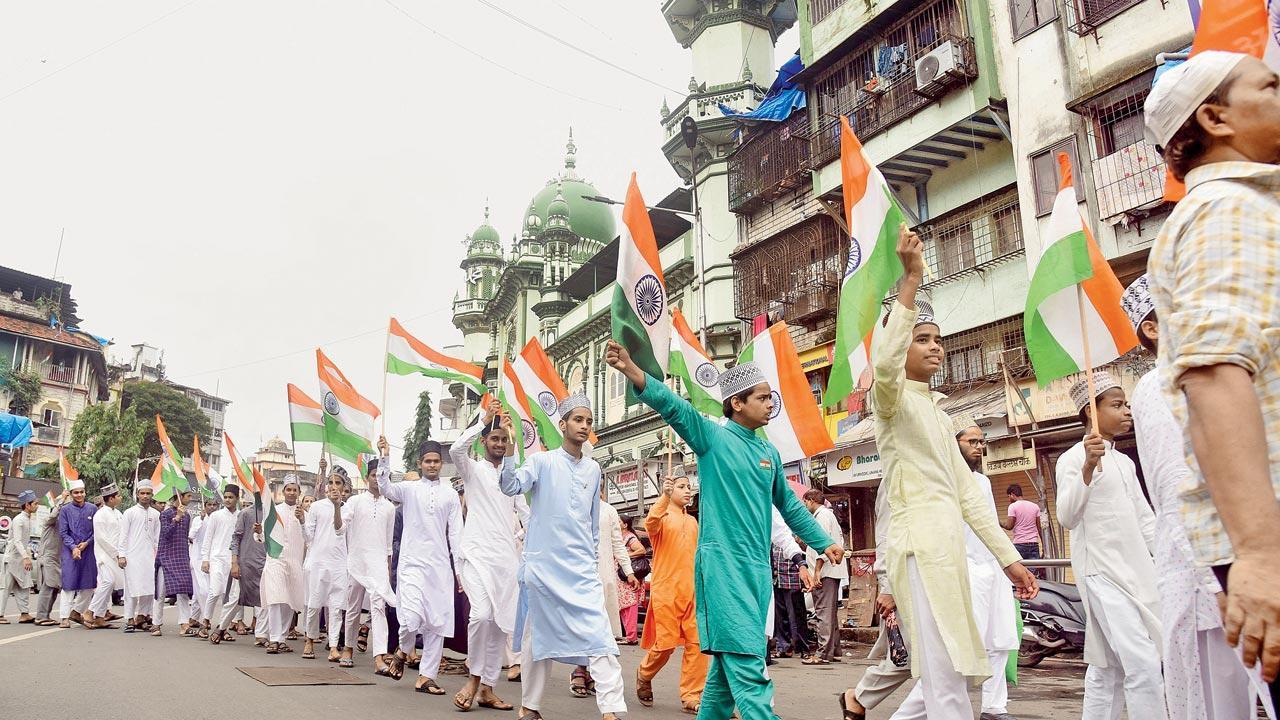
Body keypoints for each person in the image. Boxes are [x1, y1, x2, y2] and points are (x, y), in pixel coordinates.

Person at [836, 227, 1037, 720]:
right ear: (900, 344)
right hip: (919, 551)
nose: (936, 348)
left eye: (938, 340)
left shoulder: (944, 417)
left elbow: (969, 498)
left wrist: (1009, 558)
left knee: (951, 674)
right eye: (921, 339)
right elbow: (883, 369)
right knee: (945, 677)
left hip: (948, 552)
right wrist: (910, 280)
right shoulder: (892, 403)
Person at [1143, 50, 1280, 699]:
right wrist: (1259, 550)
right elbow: (1215, 372)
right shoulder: (1227, 207)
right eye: (1271, 85)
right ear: (1215, 116)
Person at [606, 341, 840, 720]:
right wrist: (633, 371)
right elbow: (673, 406)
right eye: (762, 398)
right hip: (721, 568)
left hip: (757, 571)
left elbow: (790, 506)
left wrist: (823, 541)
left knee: (719, 686)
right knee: (748, 665)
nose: (769, 404)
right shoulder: (712, 438)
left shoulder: (769, 455)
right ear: (737, 403)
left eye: (770, 397)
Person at [1124, 275, 1262, 718]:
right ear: (1152, 327)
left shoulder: (1211, 371)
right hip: (1208, 578)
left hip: (1241, 569)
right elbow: (1179, 486)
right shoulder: (1160, 383)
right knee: (1219, 705)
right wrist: (1216, 578)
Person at [497, 394, 634, 720]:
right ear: (562, 425)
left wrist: (593, 564)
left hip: (580, 570)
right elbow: (511, 486)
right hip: (543, 569)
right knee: (536, 639)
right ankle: (529, 707)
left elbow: (592, 524)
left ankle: (612, 710)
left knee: (601, 634)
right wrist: (509, 452)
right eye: (578, 420)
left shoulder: (594, 469)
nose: (584, 426)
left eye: (588, 421)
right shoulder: (543, 462)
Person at [1056, 372, 1164, 718]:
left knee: (1108, 668)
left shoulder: (1125, 461)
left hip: (1136, 573)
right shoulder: (1072, 459)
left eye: (1127, 404)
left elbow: (1145, 520)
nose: (1127, 412)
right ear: (1091, 410)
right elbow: (1067, 517)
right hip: (1101, 575)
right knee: (1143, 663)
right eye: (1117, 405)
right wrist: (1088, 467)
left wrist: (1166, 558)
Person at [449, 402, 527, 711]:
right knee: (481, 615)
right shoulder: (473, 470)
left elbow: (527, 515)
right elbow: (456, 450)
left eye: (503, 439)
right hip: (476, 556)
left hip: (505, 561)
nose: (498, 443)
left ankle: (488, 689)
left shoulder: (513, 478)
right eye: (493, 438)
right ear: (484, 441)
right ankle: (473, 677)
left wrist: (529, 540)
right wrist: (483, 421)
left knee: (499, 623)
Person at [376, 437, 463, 695]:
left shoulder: (450, 495)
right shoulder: (409, 489)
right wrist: (384, 457)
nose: (432, 465)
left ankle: (426, 676)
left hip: (439, 568)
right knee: (410, 619)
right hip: (412, 564)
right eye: (428, 461)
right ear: (420, 463)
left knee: (437, 624)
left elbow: (456, 534)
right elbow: (385, 488)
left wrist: (459, 571)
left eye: (436, 461)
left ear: (441, 463)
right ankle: (403, 650)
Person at [636, 475, 708, 714]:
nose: (688, 491)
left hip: (693, 591)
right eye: (681, 487)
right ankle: (644, 674)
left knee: (697, 645)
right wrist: (664, 497)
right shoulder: (662, 517)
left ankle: (691, 696)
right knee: (665, 645)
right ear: (670, 490)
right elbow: (650, 522)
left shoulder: (694, 522)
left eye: (689, 487)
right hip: (666, 590)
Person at [340, 459, 396, 672]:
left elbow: (388, 543)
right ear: (367, 477)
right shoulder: (354, 501)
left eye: (381, 475)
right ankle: (348, 648)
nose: (377, 479)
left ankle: (379, 657)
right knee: (353, 608)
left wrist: (388, 569)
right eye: (373, 475)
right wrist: (337, 507)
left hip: (379, 564)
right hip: (357, 562)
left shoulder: (390, 507)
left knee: (378, 607)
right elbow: (340, 527)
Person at [303, 470, 350, 662]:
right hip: (318, 562)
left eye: (338, 482)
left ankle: (333, 646)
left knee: (336, 607)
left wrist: (338, 506)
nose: (333, 486)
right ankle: (309, 640)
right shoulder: (316, 507)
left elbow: (339, 530)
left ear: (343, 487)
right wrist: (300, 521)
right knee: (314, 605)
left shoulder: (347, 508)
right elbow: (308, 536)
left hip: (339, 563)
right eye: (330, 482)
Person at [262, 473, 306, 655]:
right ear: (283, 491)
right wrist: (258, 531)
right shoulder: (274, 511)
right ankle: (273, 639)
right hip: (275, 558)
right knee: (275, 598)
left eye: (295, 490)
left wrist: (303, 520)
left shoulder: (304, 513)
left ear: (299, 492)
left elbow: (310, 536)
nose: (291, 493)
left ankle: (281, 638)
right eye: (288, 489)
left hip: (295, 560)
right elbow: (261, 537)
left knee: (290, 601)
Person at [802, 489, 847, 665]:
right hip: (830, 571)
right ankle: (834, 650)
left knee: (823, 612)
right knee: (830, 613)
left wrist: (817, 571)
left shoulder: (822, 517)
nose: (805, 507)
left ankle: (823, 653)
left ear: (811, 501)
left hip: (825, 571)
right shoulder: (827, 516)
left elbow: (823, 544)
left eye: (805, 503)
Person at [222, 489, 266, 647]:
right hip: (245, 563)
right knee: (235, 598)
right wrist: (235, 562)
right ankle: (221, 628)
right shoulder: (246, 513)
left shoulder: (272, 514)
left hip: (266, 563)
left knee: (263, 599)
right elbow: (236, 538)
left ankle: (261, 635)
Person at [117, 480, 161, 633]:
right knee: (132, 588)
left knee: (149, 588)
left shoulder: (156, 514)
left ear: (152, 495)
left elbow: (157, 538)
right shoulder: (129, 513)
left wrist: (158, 557)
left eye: (148, 493)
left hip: (150, 557)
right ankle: (129, 618)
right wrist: (121, 555)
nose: (145, 496)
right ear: (137, 495)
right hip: (132, 556)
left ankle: (141, 616)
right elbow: (122, 536)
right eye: (142, 493)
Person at [200, 486, 240, 639]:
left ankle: (223, 627)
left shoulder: (241, 515)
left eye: (231, 497)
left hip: (233, 560)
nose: (228, 500)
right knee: (215, 591)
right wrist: (205, 559)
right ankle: (205, 622)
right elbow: (208, 539)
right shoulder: (216, 516)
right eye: (226, 497)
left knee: (229, 596)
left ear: (237, 498)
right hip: (216, 558)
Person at [56, 479, 98, 628]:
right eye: (76, 492)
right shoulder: (65, 510)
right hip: (70, 551)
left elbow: (97, 531)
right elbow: (63, 532)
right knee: (69, 584)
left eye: (81, 492)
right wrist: (74, 547)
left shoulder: (93, 509)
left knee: (89, 584)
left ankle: (77, 611)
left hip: (88, 550)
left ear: (85, 492)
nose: (79, 495)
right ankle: (64, 618)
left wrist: (86, 543)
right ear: (72, 494)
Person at [154, 492, 194, 636]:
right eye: (188, 496)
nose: (190, 499)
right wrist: (177, 518)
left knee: (183, 591)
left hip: (181, 557)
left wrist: (187, 558)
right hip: (166, 556)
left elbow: (184, 537)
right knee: (161, 592)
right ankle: (156, 624)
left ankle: (185, 624)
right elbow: (166, 533)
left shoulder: (188, 516)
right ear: (180, 497)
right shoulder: (165, 514)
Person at [89, 483, 125, 629]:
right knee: (108, 582)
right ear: (111, 498)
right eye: (118, 495)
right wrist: (116, 553)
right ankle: (90, 611)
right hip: (104, 555)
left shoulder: (118, 514)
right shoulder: (100, 514)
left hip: (116, 556)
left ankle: (99, 617)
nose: (121, 498)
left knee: (109, 585)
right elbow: (101, 539)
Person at [2, 489, 38, 625]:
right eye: (35, 503)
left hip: (20, 560)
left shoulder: (27, 519)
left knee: (24, 586)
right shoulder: (19, 520)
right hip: (12, 559)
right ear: (27, 505)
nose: (37, 505)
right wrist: (26, 557)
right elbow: (17, 541)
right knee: (5, 588)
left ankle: (24, 614)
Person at [34, 490, 69, 626]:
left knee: (54, 587)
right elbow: (54, 514)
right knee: (48, 587)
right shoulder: (49, 520)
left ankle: (46, 616)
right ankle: (41, 616)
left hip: (56, 558)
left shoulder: (62, 523)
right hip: (48, 557)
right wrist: (62, 500)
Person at [188, 497, 217, 630]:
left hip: (212, 559)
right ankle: (207, 618)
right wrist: (200, 520)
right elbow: (191, 535)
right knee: (203, 590)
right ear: (204, 506)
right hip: (198, 559)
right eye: (209, 504)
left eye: (214, 505)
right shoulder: (197, 520)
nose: (211, 507)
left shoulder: (217, 519)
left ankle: (193, 618)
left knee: (199, 592)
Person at [618, 516, 646, 644]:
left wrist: (625, 556)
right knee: (624, 606)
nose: (616, 523)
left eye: (618, 521)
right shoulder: (620, 537)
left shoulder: (629, 537)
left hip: (628, 576)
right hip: (623, 577)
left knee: (629, 606)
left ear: (625, 525)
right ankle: (629, 636)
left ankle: (631, 637)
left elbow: (641, 550)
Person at [1000, 484, 1041, 568]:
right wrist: (1044, 546)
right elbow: (1039, 528)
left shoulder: (1013, 506)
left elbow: (1009, 526)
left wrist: (999, 522)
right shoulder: (1035, 506)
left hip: (1019, 544)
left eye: (1009, 496)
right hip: (1034, 544)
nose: (1009, 499)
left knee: (1020, 573)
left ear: (1012, 494)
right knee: (1033, 574)